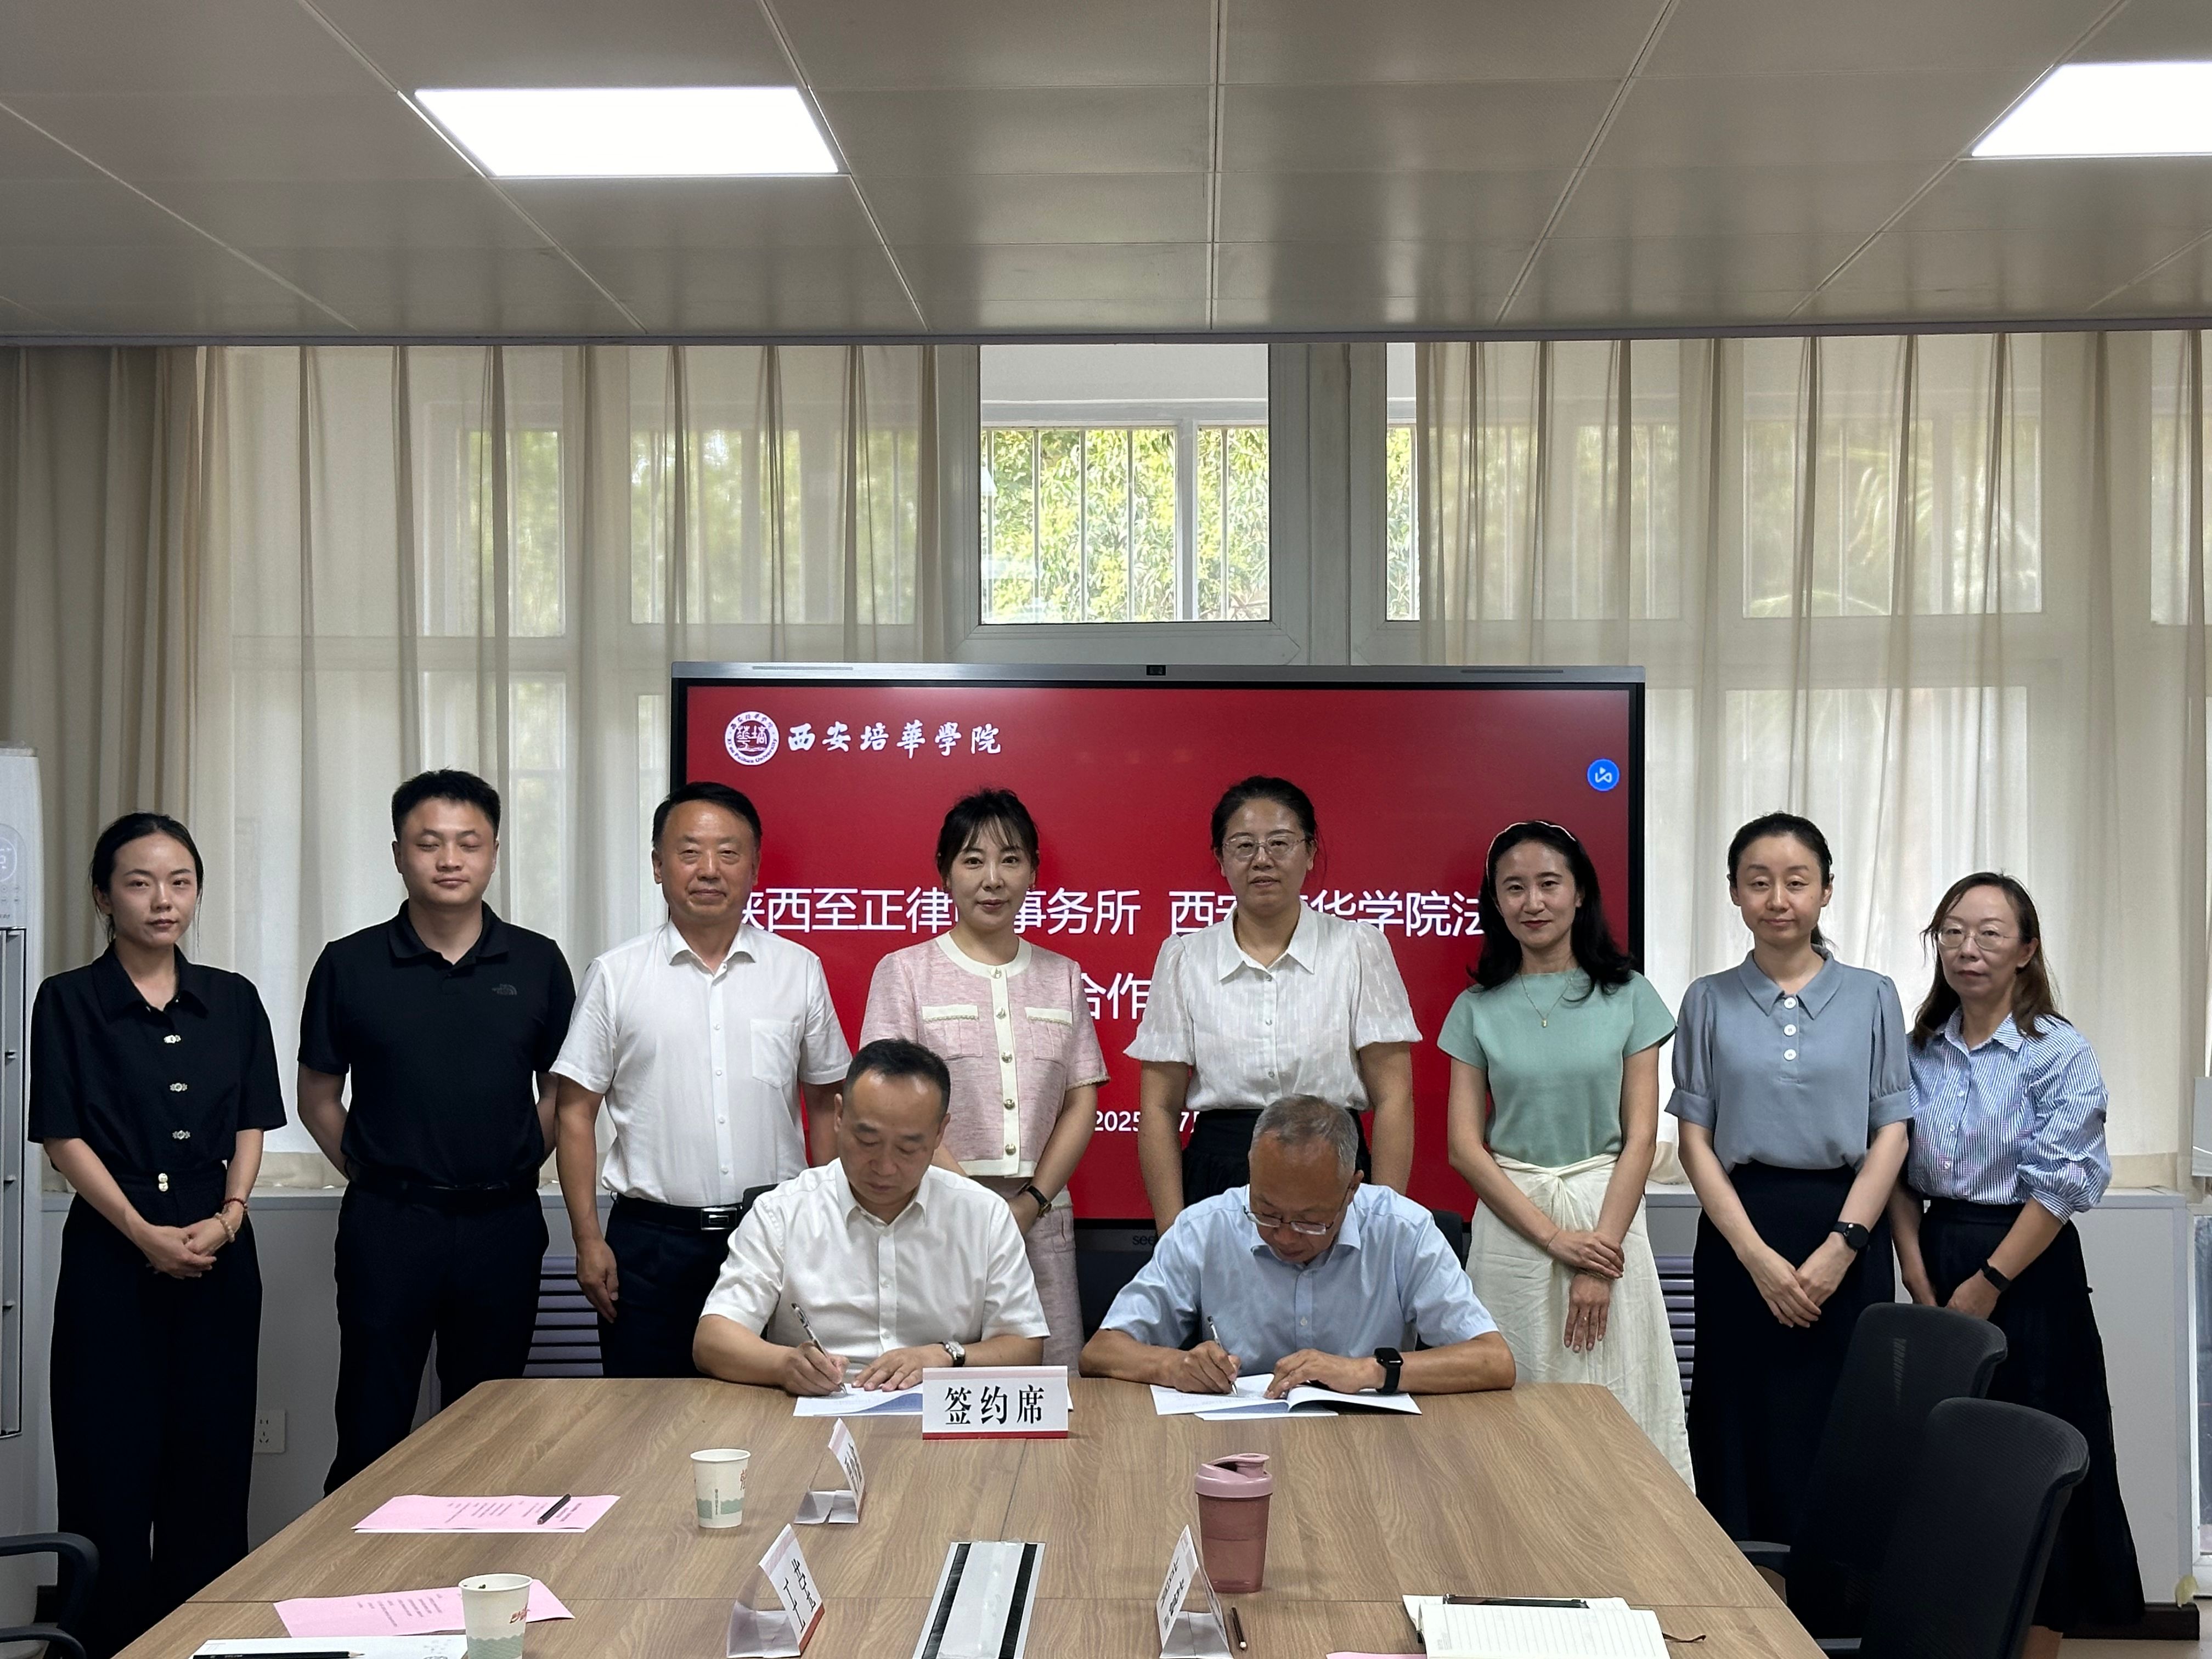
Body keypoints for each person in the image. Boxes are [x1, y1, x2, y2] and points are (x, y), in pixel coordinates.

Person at [31, 813, 285, 1659]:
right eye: (139, 883)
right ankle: (102, 1646)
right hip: (113, 1248)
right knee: (106, 1465)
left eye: (180, 882)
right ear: (104, 896)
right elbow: (62, 1135)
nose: (162, 900)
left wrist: (231, 1217)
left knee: (211, 1464)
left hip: (221, 1246)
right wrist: (143, 1232)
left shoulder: (234, 998)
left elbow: (251, 1121)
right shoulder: (68, 1000)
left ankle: (201, 1643)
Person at [297, 770, 576, 1492]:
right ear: (398, 853)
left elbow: (562, 1093)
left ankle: (480, 1561)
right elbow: (318, 1097)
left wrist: (515, 1160)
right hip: (388, 1224)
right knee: (371, 1422)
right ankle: (356, 1558)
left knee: (488, 1431)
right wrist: (374, 1171)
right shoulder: (350, 963)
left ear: (494, 853)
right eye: (429, 843)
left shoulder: (537, 962)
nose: (449, 859)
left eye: (468, 843)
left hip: (503, 1224)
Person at [1888, 874, 2142, 1656]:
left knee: (2036, 1465)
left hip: (2029, 1271)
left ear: (2027, 950)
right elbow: (1892, 1167)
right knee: (1948, 1468)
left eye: (1990, 933)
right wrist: (1919, 1277)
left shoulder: (2057, 1050)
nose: (1968, 949)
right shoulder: (1917, 1050)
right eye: (1953, 932)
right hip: (1937, 1252)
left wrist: (1988, 1283)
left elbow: (2062, 1184)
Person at [553, 781, 850, 1378]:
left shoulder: (797, 971)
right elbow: (575, 1112)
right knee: (644, 1413)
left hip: (774, 1233)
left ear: (755, 867)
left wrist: (834, 1229)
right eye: (689, 852)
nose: (709, 869)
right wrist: (588, 1239)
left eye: (728, 853)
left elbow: (826, 1106)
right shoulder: (615, 975)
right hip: (651, 1245)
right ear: (658, 866)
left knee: (776, 1406)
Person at [1669, 812, 1911, 1543]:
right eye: (1759, 882)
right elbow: (1694, 1140)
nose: (1778, 899)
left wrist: (1843, 1246)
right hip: (1742, 1235)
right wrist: (1756, 1259)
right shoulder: (1706, 999)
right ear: (1735, 893)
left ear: (1826, 891)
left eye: (1797, 882)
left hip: (1848, 1232)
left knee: (1848, 1423)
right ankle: (1744, 1600)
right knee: (1739, 1423)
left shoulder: (1873, 994)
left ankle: (1839, 1605)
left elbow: (1892, 1131)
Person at [1440, 820, 1691, 1483]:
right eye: (1514, 888)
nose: (1533, 902)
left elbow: (1640, 1137)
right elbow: (1464, 1147)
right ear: (1496, 902)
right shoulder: (1476, 1008)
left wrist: (1598, 1259)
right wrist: (1554, 1238)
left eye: (1549, 884)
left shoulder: (1630, 996)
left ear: (1580, 893)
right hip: (1513, 1222)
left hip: (1607, 1211)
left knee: (1616, 1386)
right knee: (1512, 1390)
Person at [860, 789, 1106, 1368]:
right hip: (934, 1211)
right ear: (945, 872)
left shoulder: (1063, 976)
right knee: (936, 1376)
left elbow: (1081, 1101)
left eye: (1010, 860)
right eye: (973, 860)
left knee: (1050, 1381)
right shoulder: (905, 973)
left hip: (1040, 1217)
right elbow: (889, 1105)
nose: (992, 879)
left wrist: (1032, 1203)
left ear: (1033, 871)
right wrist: (974, 1203)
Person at [1128, 776, 1420, 1227]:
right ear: (1220, 859)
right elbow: (1159, 1108)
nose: (1262, 859)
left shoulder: (1358, 948)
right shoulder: (1185, 958)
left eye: (1280, 843)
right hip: (1220, 1179)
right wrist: (1172, 1233)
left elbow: (1395, 1097)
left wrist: (1386, 1222)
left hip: (1335, 1174)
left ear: (1310, 852)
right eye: (1244, 846)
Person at [1082, 1097, 1515, 1396]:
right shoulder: (1205, 1227)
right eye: (1267, 1213)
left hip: (1373, 1449)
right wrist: (1175, 1366)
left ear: (1352, 1189)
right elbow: (1101, 1351)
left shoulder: (1402, 1229)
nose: (1286, 1236)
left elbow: (1493, 1361)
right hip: (1235, 1450)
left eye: (1311, 1221)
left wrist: (1366, 1370)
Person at [695, 1039, 1048, 1391]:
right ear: (839, 1115)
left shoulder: (984, 1216)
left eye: (908, 1148)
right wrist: (783, 1365)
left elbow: (1025, 1346)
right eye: (867, 1142)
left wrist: (946, 1356)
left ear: (940, 1132)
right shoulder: (783, 1212)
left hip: (937, 1411)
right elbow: (712, 1340)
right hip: (816, 1409)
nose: (885, 1167)